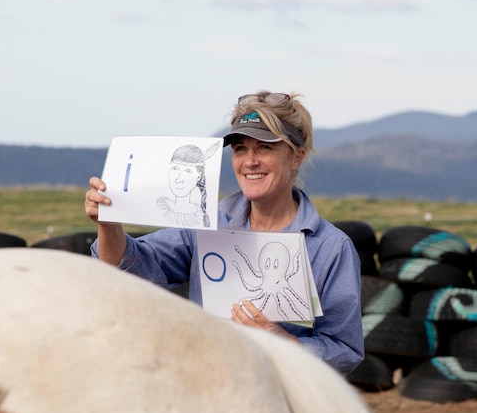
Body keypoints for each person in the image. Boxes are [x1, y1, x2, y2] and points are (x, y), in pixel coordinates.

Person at [84, 91, 364, 375]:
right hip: (206, 389)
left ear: (296, 157)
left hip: (281, 401)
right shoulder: (207, 224)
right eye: (241, 148)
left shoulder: (331, 248)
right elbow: (133, 268)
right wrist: (108, 225)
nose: (249, 161)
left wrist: (284, 343)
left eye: (264, 148)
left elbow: (345, 350)